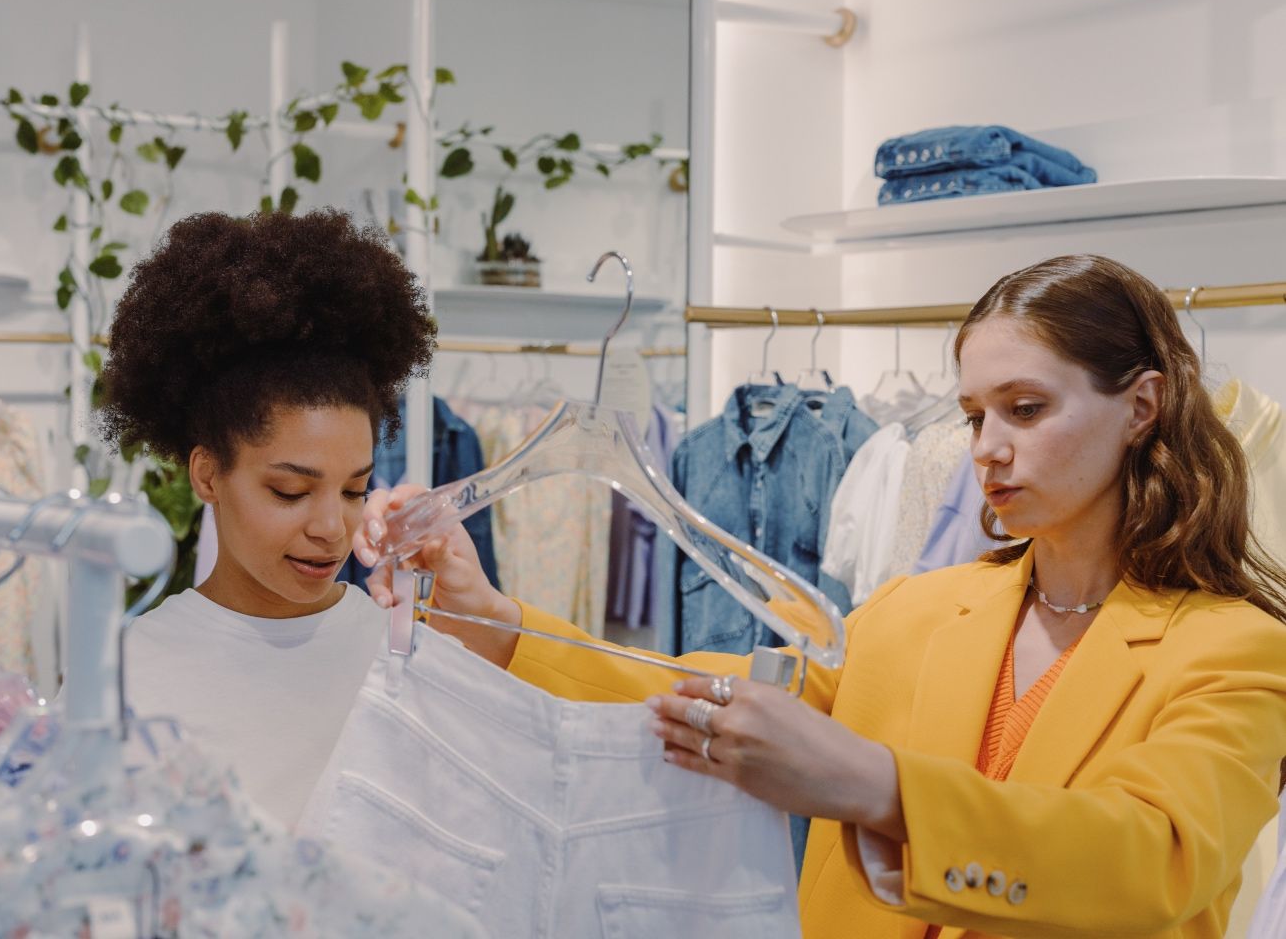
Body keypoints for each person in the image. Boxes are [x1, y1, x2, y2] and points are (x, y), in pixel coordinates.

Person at [355, 254, 1286, 938]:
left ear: (1143, 405)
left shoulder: (1232, 646)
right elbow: (718, 692)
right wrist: (492, 617)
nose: (987, 448)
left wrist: (872, 786)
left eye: (1026, 408)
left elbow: (1153, 855)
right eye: (973, 417)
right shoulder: (924, 609)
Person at [95, 208, 435, 828]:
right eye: (288, 491)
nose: (332, 527)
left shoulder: (400, 650)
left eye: (355, 489)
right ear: (207, 476)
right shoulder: (128, 674)